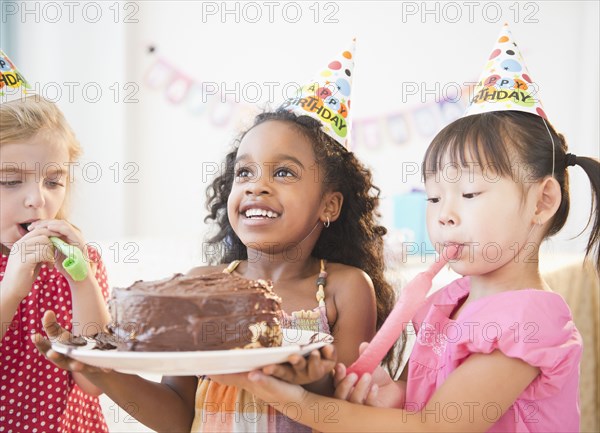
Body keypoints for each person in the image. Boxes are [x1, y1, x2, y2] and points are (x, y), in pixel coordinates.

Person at [218, 24, 599, 433]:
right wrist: (394, 395)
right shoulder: (449, 303)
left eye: (470, 194)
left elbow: (435, 427)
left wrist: (295, 401)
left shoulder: (529, 319)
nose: (444, 215)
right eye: (434, 198)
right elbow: (425, 399)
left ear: (542, 201)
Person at [34, 43, 398, 432]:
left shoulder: (345, 288)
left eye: (284, 173)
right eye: (245, 173)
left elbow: (344, 413)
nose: (257, 186)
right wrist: (101, 370)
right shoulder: (204, 287)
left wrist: (308, 379)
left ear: (330, 205)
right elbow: (177, 416)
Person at [0, 50, 111, 433]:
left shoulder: (84, 259)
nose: (38, 199)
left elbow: (94, 382)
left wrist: (83, 280)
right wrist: (11, 291)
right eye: (10, 181)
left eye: (53, 181)